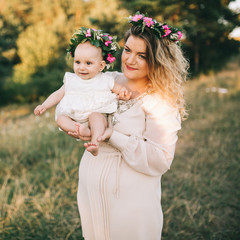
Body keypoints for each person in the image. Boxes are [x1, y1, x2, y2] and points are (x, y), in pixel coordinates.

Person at [69, 12, 189, 239]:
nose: (130, 60)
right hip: (90, 186)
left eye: (141, 55)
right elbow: (81, 111)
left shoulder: (159, 101)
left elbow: (160, 159)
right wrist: (80, 129)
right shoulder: (107, 81)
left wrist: (112, 135)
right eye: (127, 50)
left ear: (157, 60)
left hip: (131, 199)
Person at [34, 27, 131, 156]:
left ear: (101, 66)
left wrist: (124, 93)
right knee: (61, 119)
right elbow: (58, 94)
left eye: (88, 63)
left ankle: (95, 143)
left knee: (97, 117)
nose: (81, 67)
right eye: (77, 62)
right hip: (75, 119)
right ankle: (83, 131)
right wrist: (44, 105)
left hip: (95, 114)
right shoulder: (71, 80)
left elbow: (120, 90)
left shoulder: (105, 79)